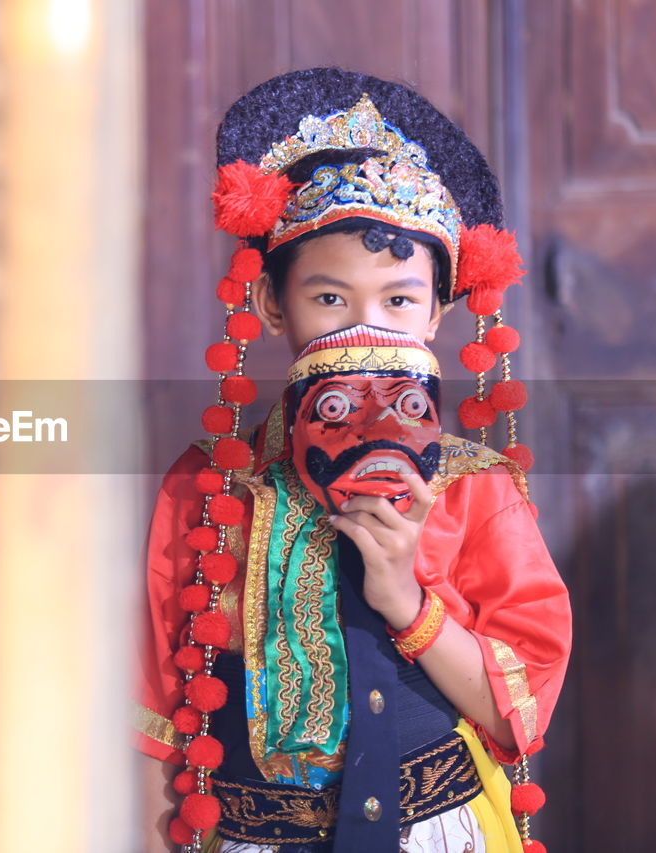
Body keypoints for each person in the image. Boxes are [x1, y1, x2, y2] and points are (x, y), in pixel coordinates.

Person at [133, 68, 572, 853]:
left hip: (433, 830)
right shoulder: (210, 483)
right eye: (330, 300)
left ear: (437, 313)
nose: (366, 330)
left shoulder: (475, 488)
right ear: (272, 304)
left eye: (399, 301)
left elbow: (518, 705)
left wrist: (407, 598)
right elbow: (156, 709)